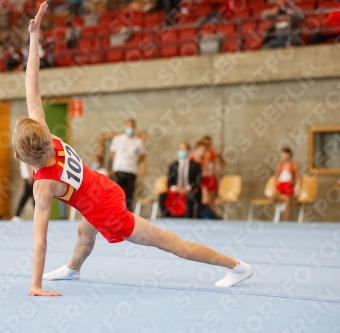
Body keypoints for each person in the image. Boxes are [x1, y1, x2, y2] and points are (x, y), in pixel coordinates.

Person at [13, 3, 253, 297]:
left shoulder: (43, 184)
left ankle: (236, 266)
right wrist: (34, 36)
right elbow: (32, 85)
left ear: (20, 158)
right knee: (84, 234)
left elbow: (40, 239)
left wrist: (35, 285)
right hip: (103, 187)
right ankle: (73, 269)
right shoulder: (44, 133)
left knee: (170, 242)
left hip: (108, 209)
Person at [158, 142, 202, 219]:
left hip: (189, 190)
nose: (182, 151)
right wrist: (176, 188)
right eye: (180, 149)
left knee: (190, 196)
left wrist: (187, 188)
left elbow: (197, 182)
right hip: (176, 190)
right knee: (162, 195)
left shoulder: (195, 165)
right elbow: (169, 182)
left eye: (184, 149)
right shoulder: (173, 165)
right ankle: (166, 217)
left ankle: (188, 218)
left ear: (188, 151)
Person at [110, 119, 146, 211]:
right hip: (119, 169)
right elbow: (112, 153)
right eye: (129, 126)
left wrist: (134, 161)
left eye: (132, 126)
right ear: (125, 126)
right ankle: (116, 212)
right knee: (117, 193)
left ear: (134, 127)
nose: (130, 128)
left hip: (131, 170)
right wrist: (119, 161)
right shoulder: (117, 139)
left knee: (129, 194)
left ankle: (129, 214)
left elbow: (142, 156)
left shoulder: (138, 141)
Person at [273, 147, 301, 222]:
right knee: (272, 196)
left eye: (284, 155)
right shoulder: (280, 165)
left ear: (289, 155)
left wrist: (297, 188)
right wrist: (275, 186)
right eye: (281, 155)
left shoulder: (293, 165)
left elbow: (298, 178)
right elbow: (276, 176)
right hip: (281, 184)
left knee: (287, 200)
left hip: (289, 185)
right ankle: (281, 206)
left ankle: (286, 220)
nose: (282, 156)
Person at [200, 135, 225, 216]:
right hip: (203, 177)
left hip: (211, 177)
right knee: (204, 198)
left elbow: (223, 161)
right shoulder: (200, 153)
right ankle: (204, 214)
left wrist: (218, 169)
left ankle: (212, 214)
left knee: (211, 199)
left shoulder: (214, 153)